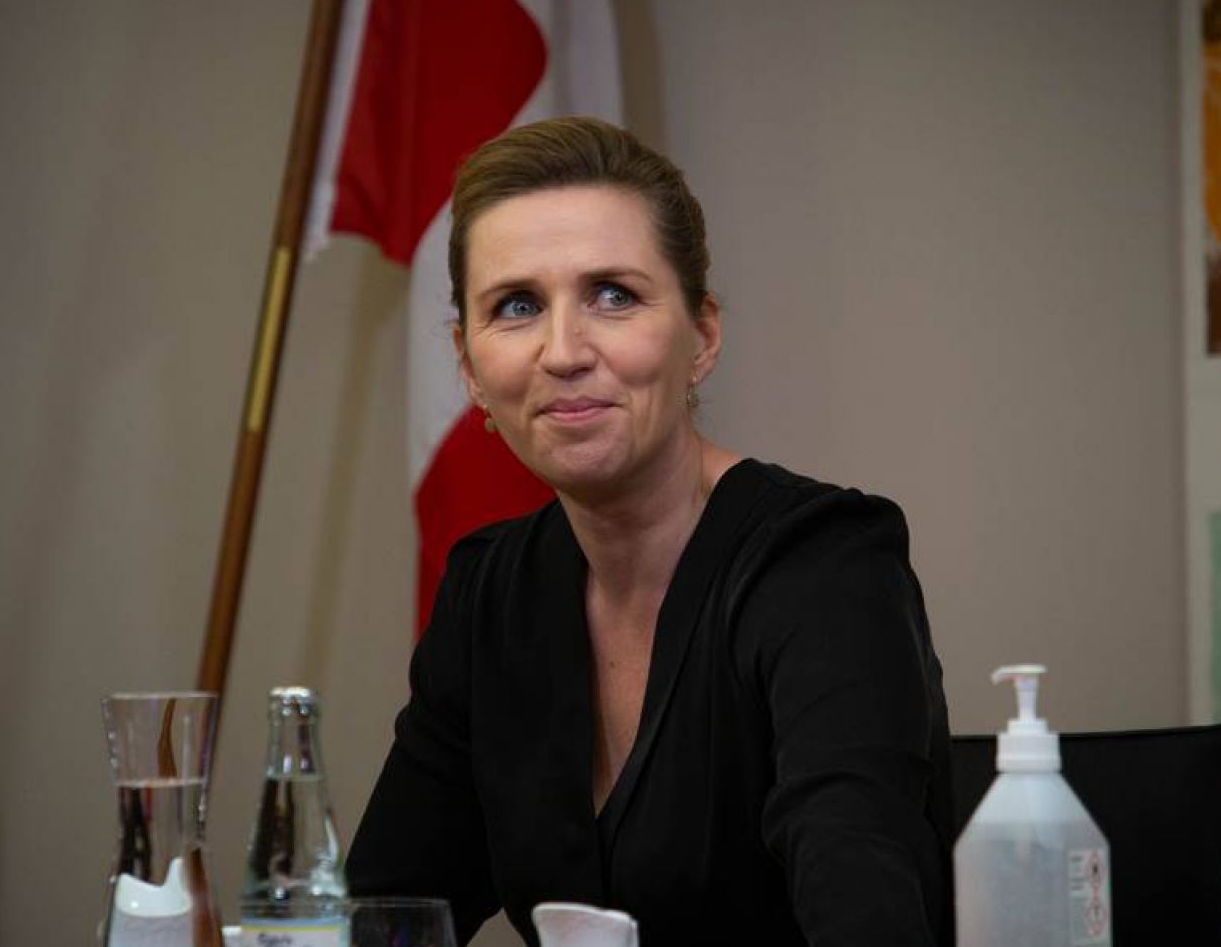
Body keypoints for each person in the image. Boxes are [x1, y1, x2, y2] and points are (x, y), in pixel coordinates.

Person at [345, 117, 954, 946]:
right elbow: (388, 916)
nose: (564, 351)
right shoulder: (490, 595)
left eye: (613, 295)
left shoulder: (824, 564)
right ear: (470, 368)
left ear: (701, 337)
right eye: (516, 306)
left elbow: (864, 916)